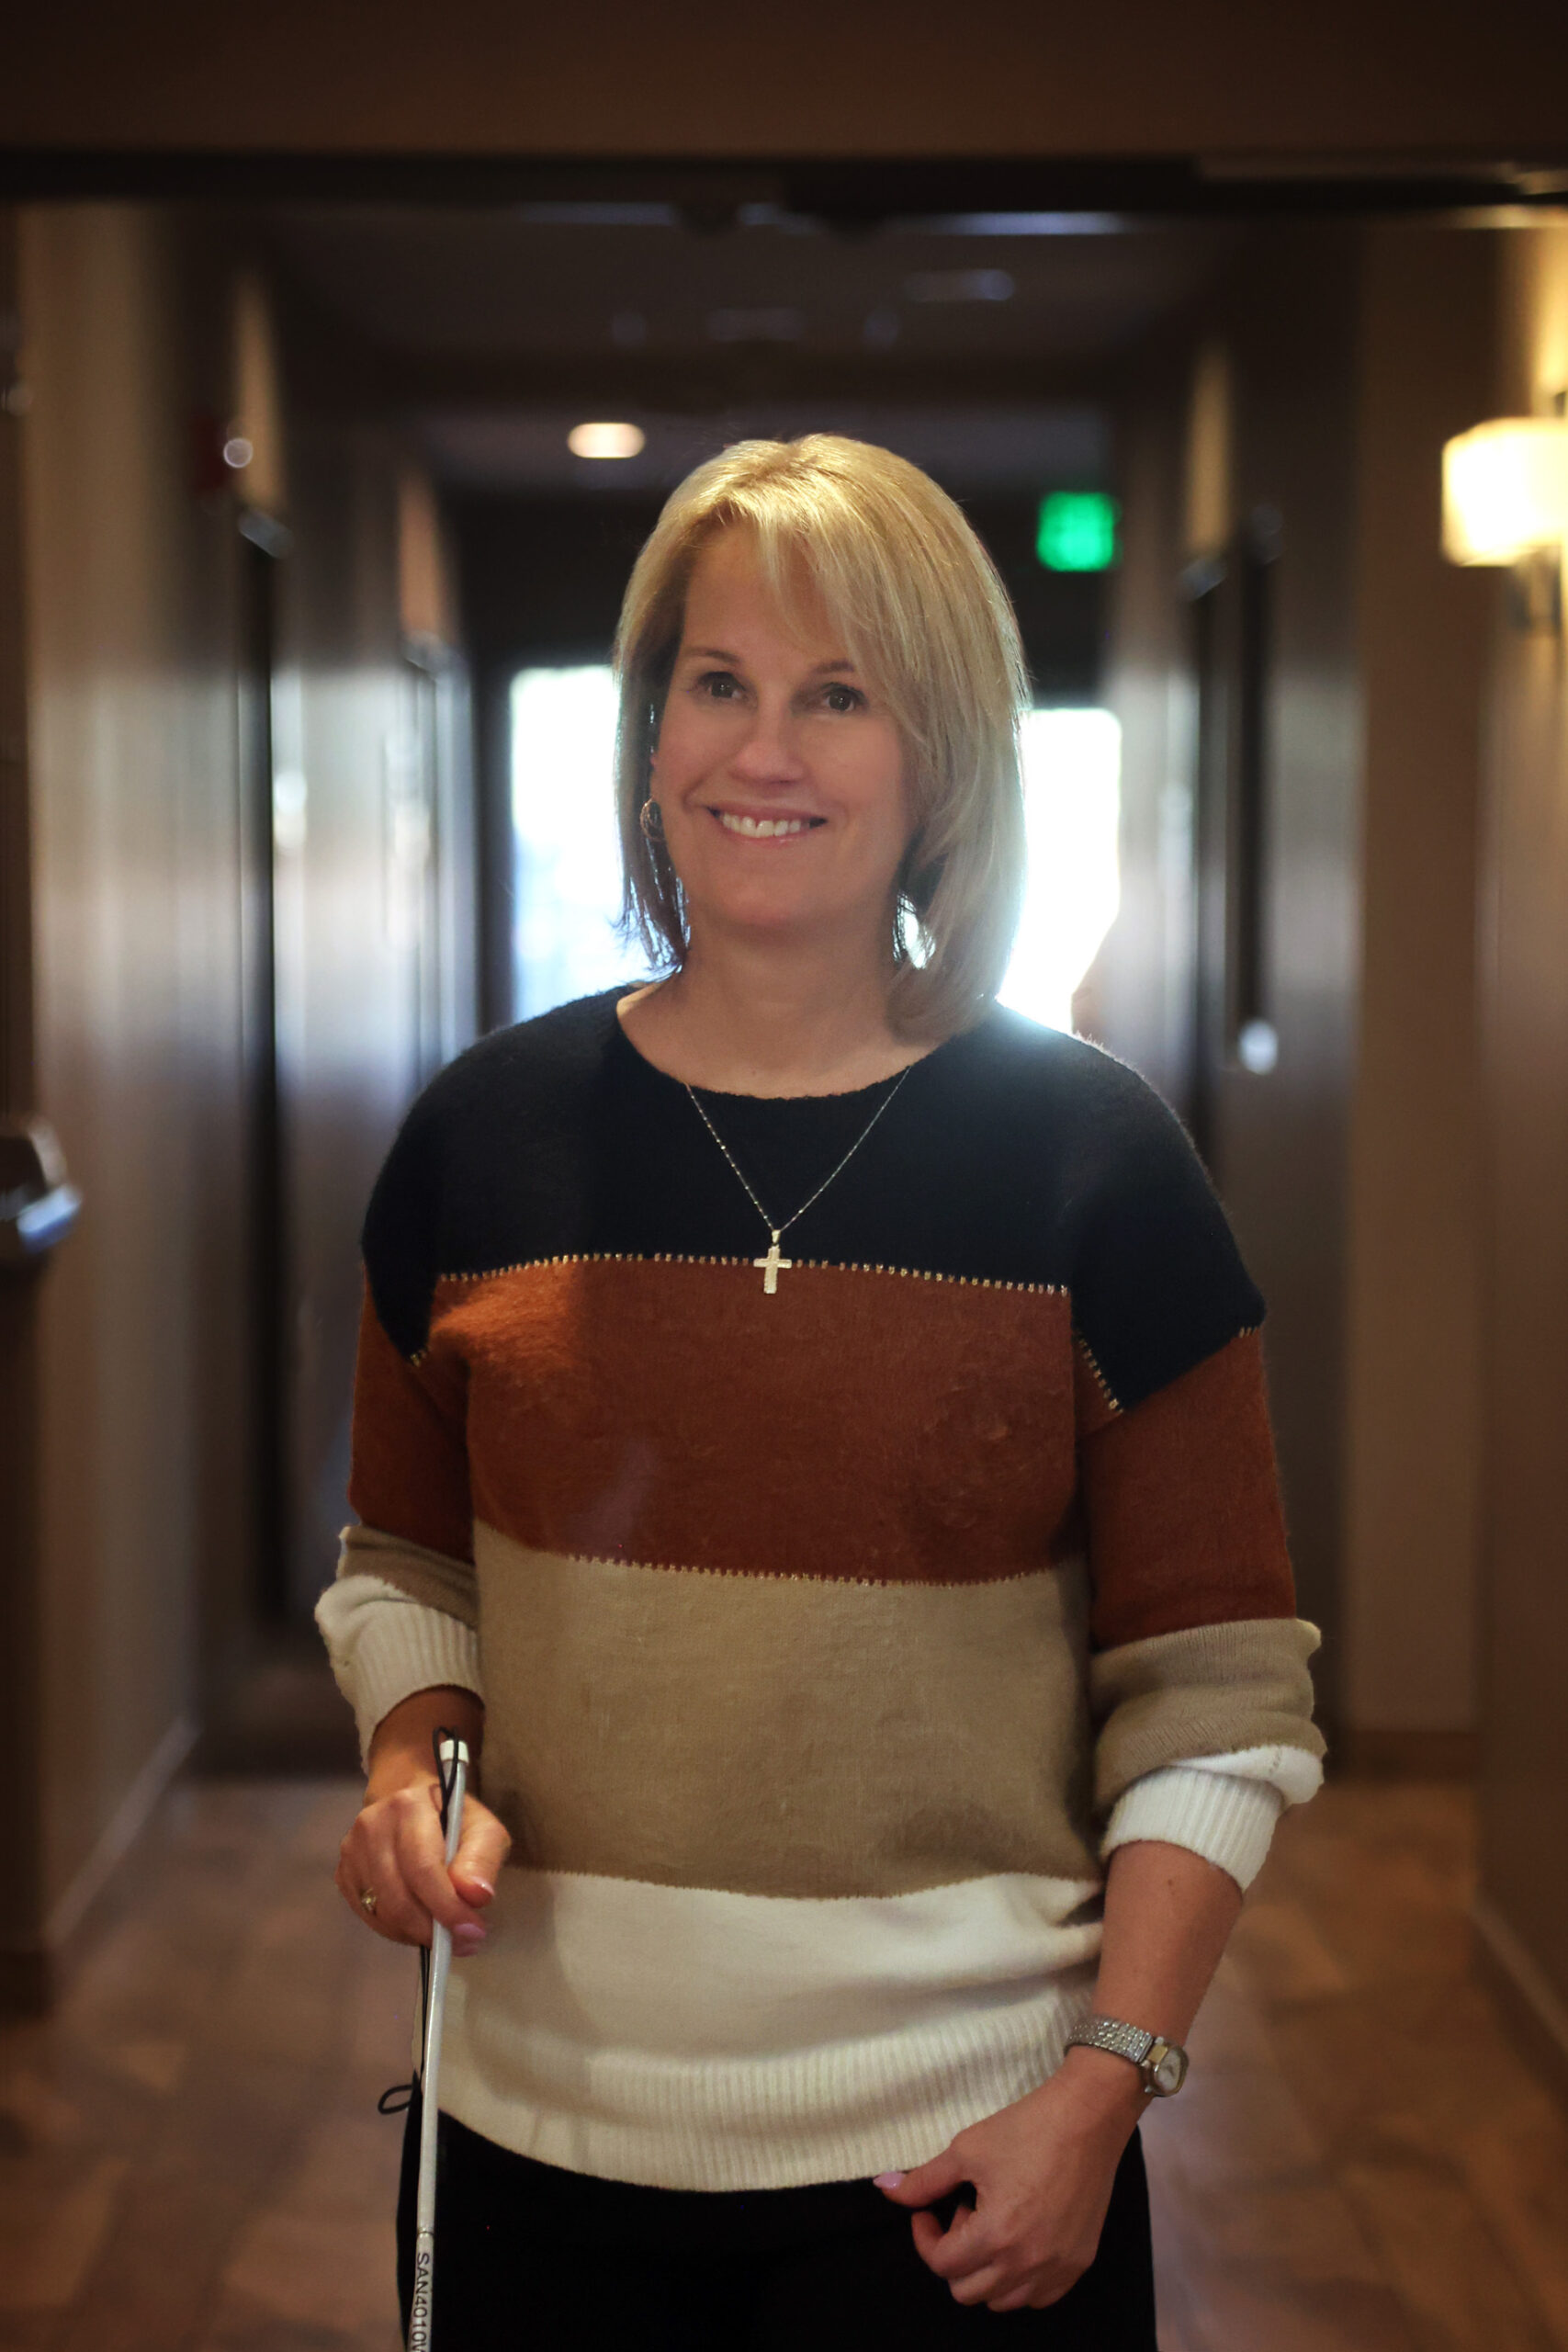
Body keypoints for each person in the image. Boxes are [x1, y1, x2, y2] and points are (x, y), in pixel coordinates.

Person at [318, 434, 1323, 2349]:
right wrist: (404, 1778)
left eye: (837, 696)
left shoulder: (1095, 1163)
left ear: (940, 757)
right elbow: (410, 1569)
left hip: (961, 2174)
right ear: (650, 731)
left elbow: (1217, 1685)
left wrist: (1105, 2083)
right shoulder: (478, 1141)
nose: (760, 751)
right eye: (718, 682)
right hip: (528, 2143)